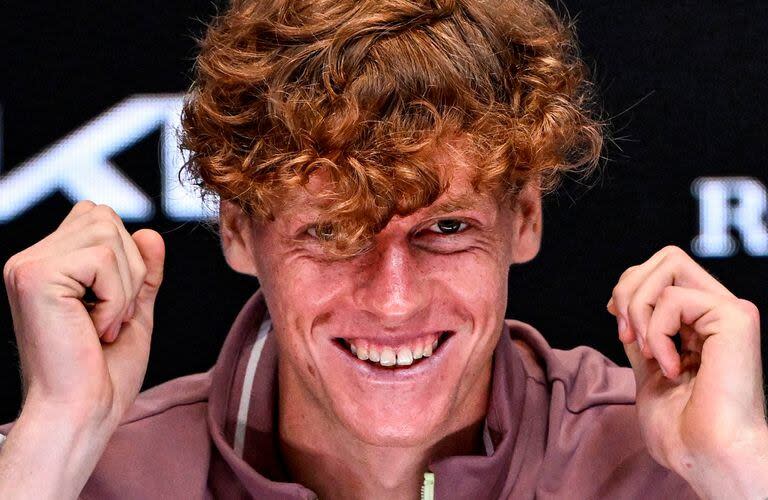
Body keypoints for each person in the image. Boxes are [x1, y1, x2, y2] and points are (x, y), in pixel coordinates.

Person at [1, 0, 766, 498]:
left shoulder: (669, 466)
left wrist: (735, 468)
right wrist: (54, 445)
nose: (393, 297)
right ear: (237, 230)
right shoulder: (83, 472)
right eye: (330, 233)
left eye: (445, 227)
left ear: (526, 218)